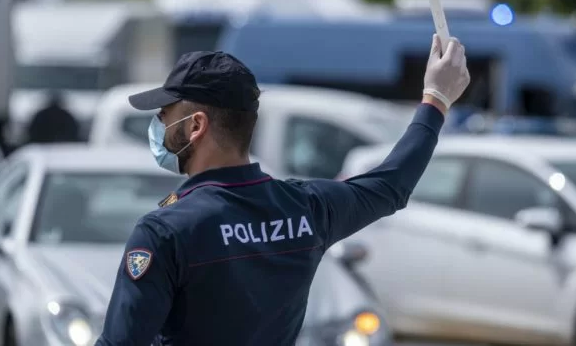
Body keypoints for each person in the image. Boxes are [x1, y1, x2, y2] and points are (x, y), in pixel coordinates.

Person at [96, 35, 470, 346]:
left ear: (196, 125)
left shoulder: (164, 231)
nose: (159, 127)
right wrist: (435, 100)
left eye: (164, 117)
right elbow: (390, 187)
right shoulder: (305, 208)